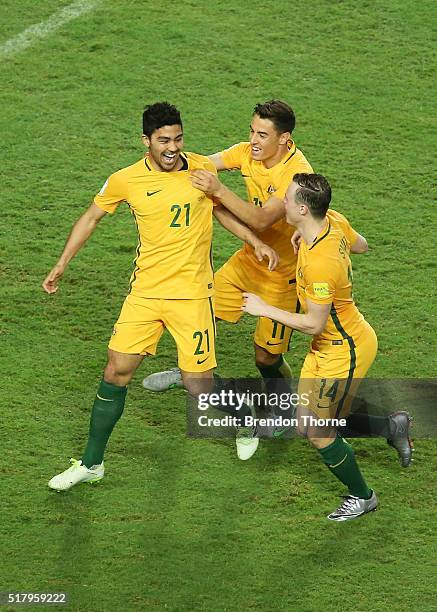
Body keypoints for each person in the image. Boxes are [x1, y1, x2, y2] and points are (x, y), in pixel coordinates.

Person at [43, 102, 278, 491]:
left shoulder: (202, 168)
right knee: (115, 371)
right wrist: (61, 263)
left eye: (178, 138)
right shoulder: (126, 179)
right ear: (146, 141)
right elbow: (91, 217)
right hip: (146, 293)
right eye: (163, 140)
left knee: (197, 386)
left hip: (191, 296)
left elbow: (222, 210)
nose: (173, 147)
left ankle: (244, 417)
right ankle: (91, 463)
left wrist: (255, 242)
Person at [143, 100, 313, 457]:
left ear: (285, 139)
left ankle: (282, 407)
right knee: (198, 313)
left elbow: (262, 220)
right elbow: (203, 164)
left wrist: (218, 191)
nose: (253, 140)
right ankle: (189, 372)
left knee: (266, 357)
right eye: (252, 130)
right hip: (246, 262)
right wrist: (168, 159)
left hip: (283, 275)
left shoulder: (295, 176)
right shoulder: (246, 152)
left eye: (262, 135)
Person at [241, 173, 408, 520]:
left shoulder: (320, 265)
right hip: (327, 346)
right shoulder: (332, 221)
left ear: (303, 208)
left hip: (344, 348)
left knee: (318, 431)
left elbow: (312, 323)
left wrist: (263, 309)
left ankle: (364, 496)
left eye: (286, 199)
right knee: (308, 423)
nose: (281, 203)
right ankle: (391, 426)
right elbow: (361, 244)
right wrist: (308, 237)